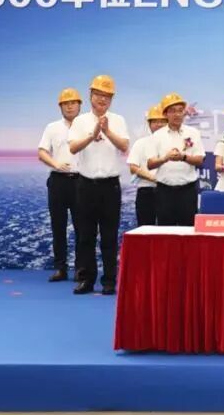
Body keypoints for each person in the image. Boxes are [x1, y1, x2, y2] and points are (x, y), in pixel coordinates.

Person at [67, 74, 129, 295]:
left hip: (110, 186)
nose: (103, 99)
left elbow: (124, 147)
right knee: (86, 235)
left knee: (109, 236)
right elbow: (73, 148)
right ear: (91, 95)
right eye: (99, 95)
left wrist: (107, 131)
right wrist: (92, 135)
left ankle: (109, 281)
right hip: (86, 185)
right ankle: (86, 279)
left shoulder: (118, 120)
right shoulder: (80, 121)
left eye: (107, 96)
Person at [37, 87, 82, 282]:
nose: (69, 106)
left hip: (82, 181)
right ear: (60, 107)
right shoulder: (52, 127)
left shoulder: (88, 126)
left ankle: (81, 269)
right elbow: (42, 152)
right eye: (65, 103)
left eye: (73, 103)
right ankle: (60, 268)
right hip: (58, 181)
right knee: (58, 226)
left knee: (83, 228)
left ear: (80, 105)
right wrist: (56, 164)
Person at [147, 93, 205, 227]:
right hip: (164, 192)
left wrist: (183, 157)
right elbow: (150, 164)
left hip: (187, 191)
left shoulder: (193, 133)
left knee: (188, 231)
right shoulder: (157, 136)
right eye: (173, 111)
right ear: (165, 114)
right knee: (166, 232)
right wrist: (165, 158)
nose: (177, 114)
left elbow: (199, 160)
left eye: (180, 110)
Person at [126, 104, 167, 227]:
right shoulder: (141, 143)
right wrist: (154, 178)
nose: (159, 124)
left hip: (169, 192)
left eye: (162, 121)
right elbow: (133, 167)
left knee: (168, 229)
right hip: (146, 191)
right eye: (155, 121)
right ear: (149, 124)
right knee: (145, 230)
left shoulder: (174, 143)